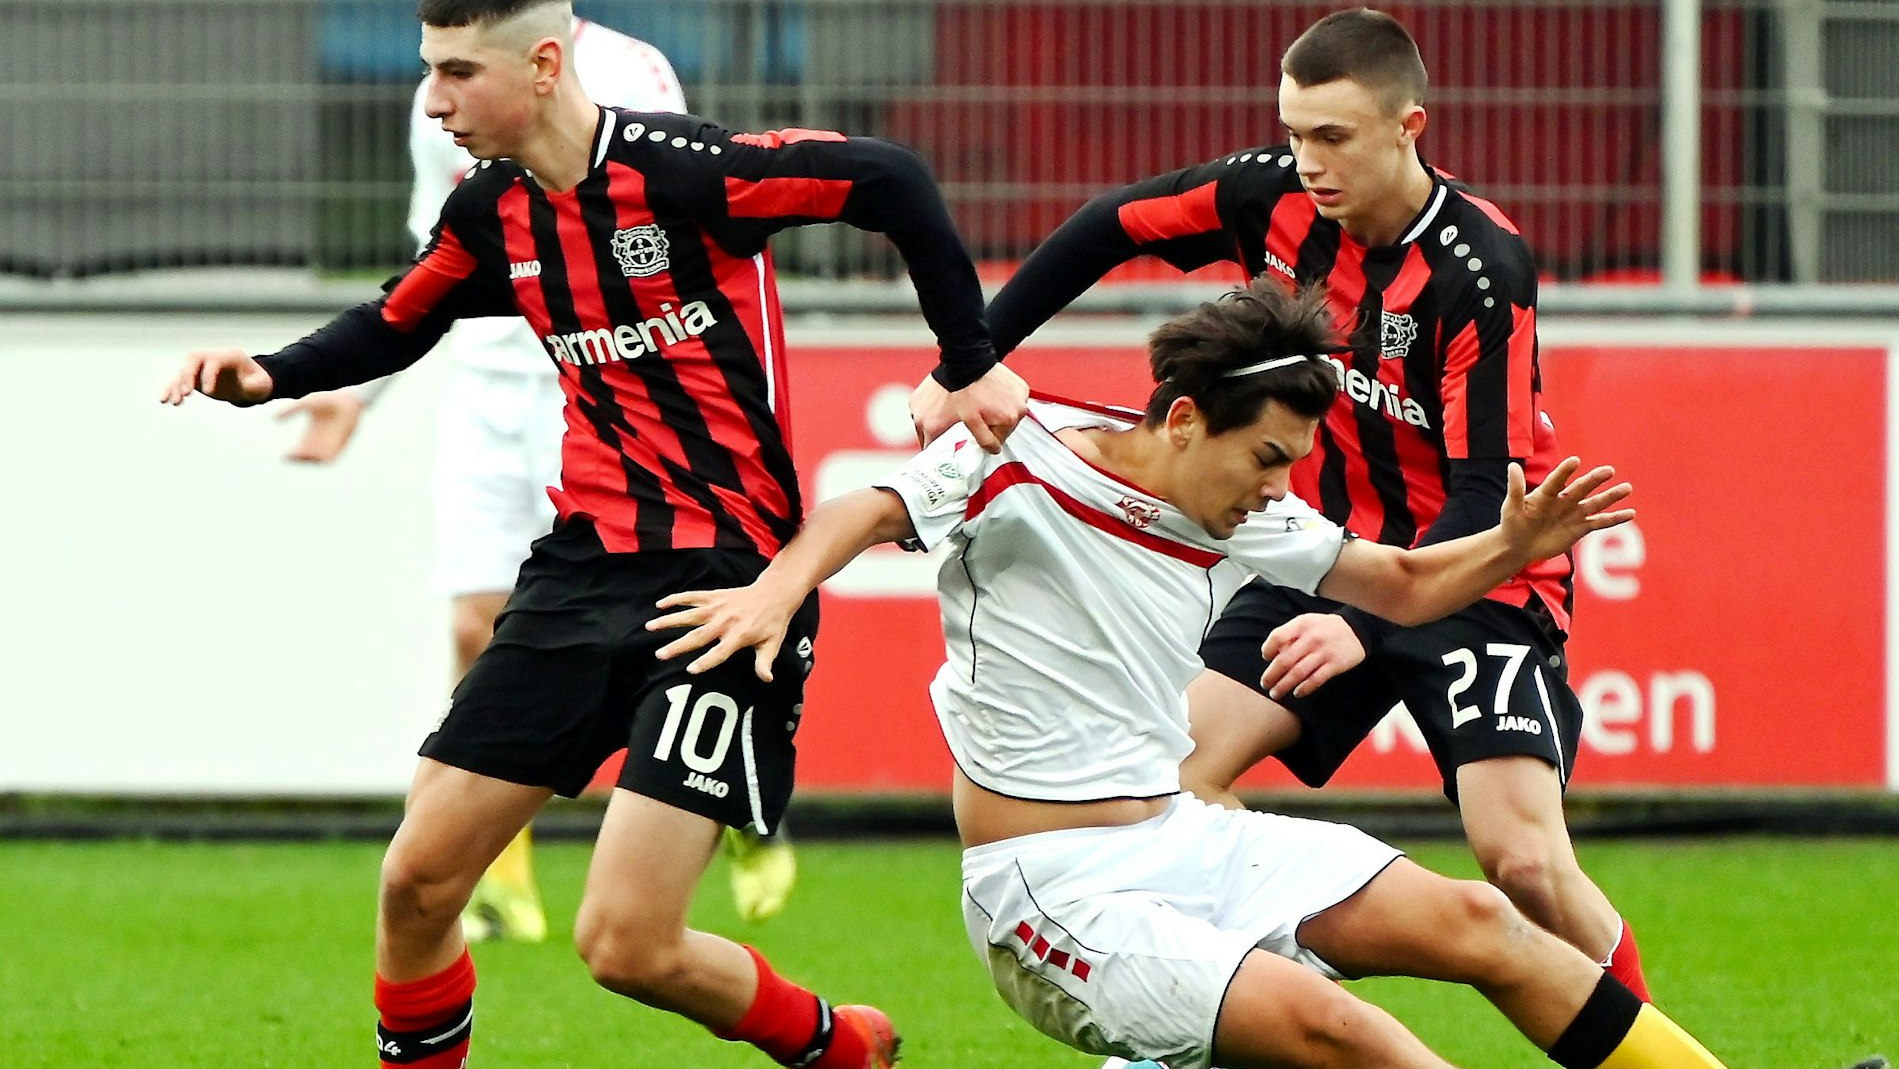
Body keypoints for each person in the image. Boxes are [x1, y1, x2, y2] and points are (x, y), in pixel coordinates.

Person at [161, 0, 1025, 1067]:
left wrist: (965, 359)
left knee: (623, 944)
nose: (433, 100)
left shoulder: (689, 174)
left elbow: (892, 180)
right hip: (579, 573)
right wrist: (269, 374)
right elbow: (394, 321)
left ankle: (835, 1046)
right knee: (417, 882)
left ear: (543, 64)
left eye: (458, 73)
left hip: (725, 586)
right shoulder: (491, 214)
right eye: (429, 72)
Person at [645, 277, 1756, 1069]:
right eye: (1266, 456)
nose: (1278, 487)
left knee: (1480, 922)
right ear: (1182, 420)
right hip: (1051, 888)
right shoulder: (1013, 458)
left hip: (1187, 840)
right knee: (1345, 1036)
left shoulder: (1244, 511)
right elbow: (863, 509)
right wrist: (777, 589)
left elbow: (1404, 586)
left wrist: (1512, 547)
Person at [909, 6, 1655, 1001]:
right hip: (1331, 555)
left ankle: (1658, 1054)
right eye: (1295, 133)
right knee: (1175, 781)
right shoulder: (1269, 199)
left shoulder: (1479, 269)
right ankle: (1243, 1021)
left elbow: (1484, 492)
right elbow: (1107, 227)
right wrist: (969, 358)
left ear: (1408, 128)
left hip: (1477, 570)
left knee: (1520, 863)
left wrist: (1366, 622)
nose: (1306, 161)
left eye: (1332, 138)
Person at [282, 0, 796, 942]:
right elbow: (430, 261)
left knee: (671, 620)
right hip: (484, 378)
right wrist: (360, 393)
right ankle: (500, 872)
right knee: (477, 620)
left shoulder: (632, 70)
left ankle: (730, 798)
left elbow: (678, 215)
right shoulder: (446, 91)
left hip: (601, 381)